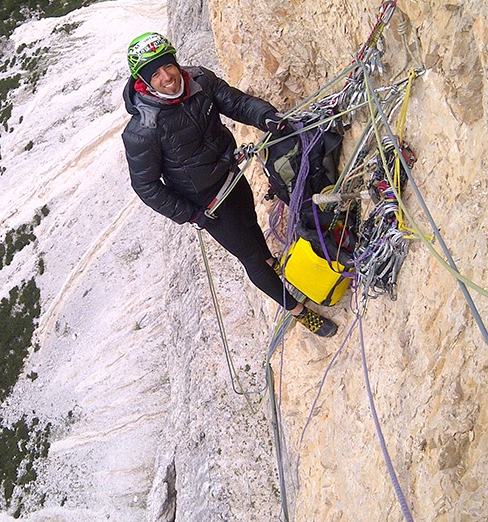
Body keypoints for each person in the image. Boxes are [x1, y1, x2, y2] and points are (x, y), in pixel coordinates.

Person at [121, 32, 338, 337]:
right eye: (154, 74)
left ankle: (270, 261)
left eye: (167, 66)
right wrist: (191, 214)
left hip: (232, 178)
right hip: (208, 206)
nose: (166, 77)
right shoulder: (143, 131)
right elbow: (146, 187)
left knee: (252, 229)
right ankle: (297, 310)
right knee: (249, 257)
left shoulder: (199, 81)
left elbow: (235, 103)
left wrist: (266, 117)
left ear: (175, 61)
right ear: (143, 81)